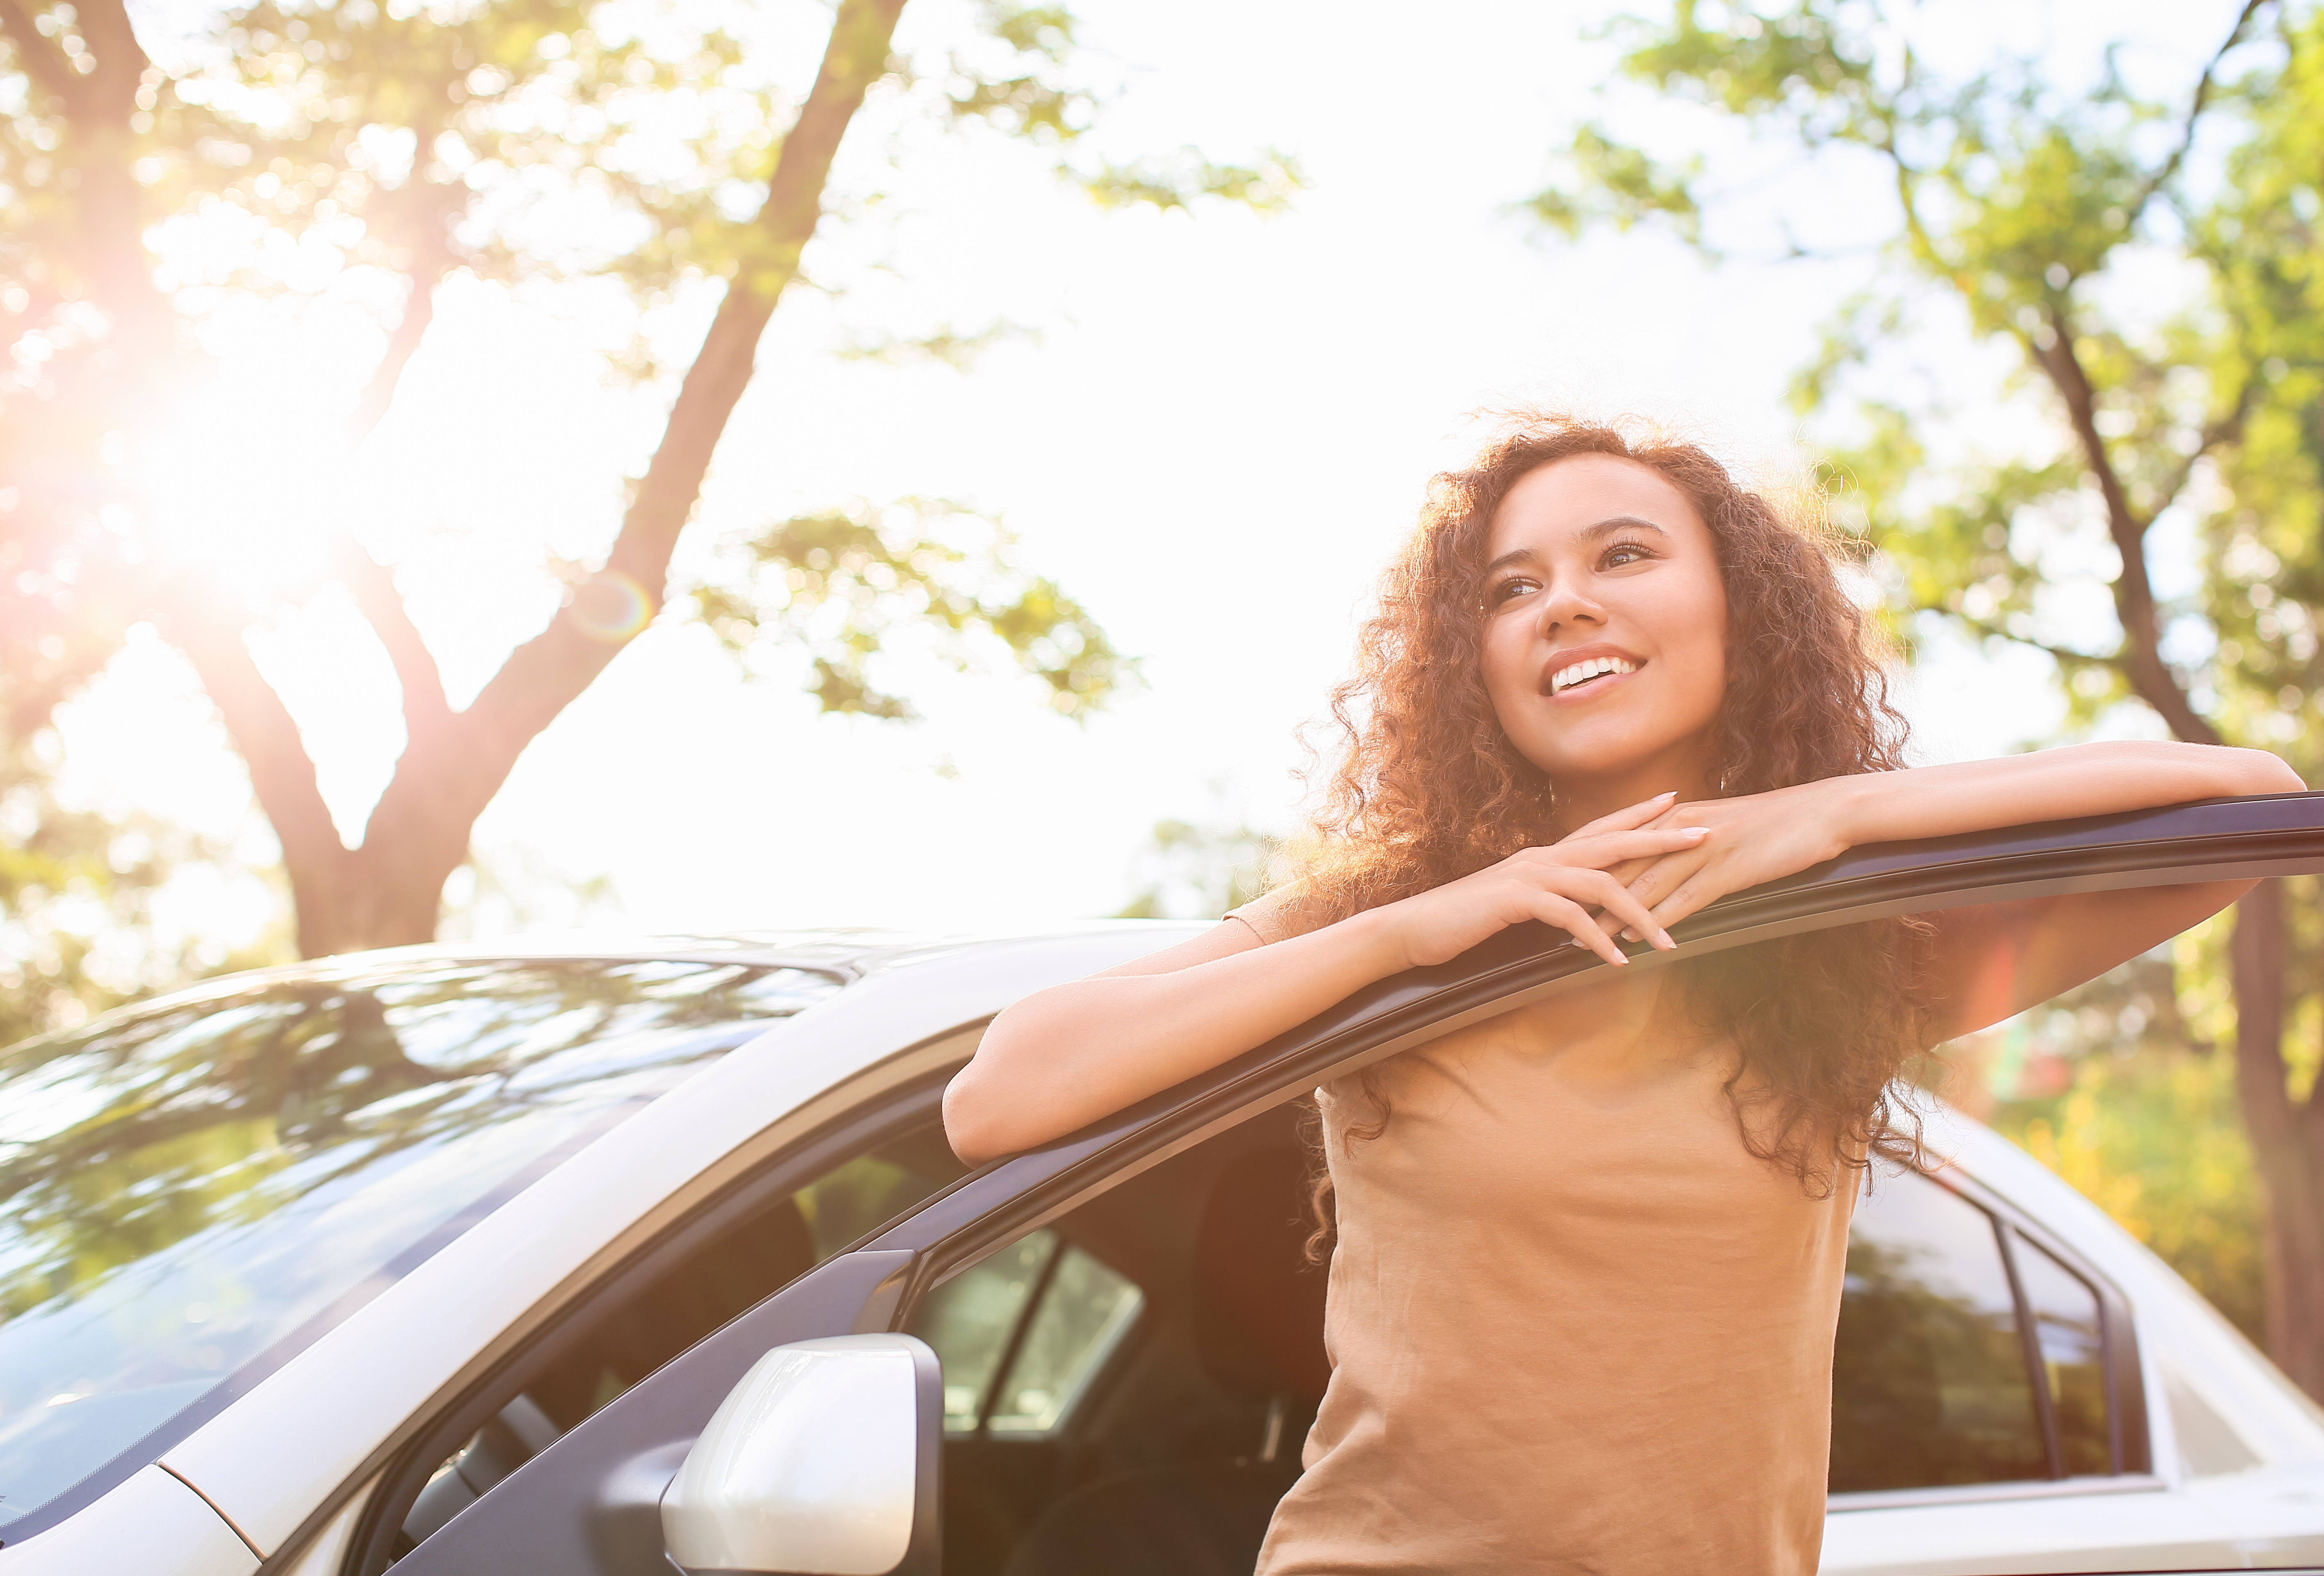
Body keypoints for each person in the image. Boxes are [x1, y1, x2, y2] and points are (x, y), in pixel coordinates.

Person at [942, 412, 2301, 1574]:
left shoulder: (1848, 959)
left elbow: (2248, 806)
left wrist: (1828, 821)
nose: (1564, 604)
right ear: (1472, 662)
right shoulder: (1395, 916)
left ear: (1741, 608)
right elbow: (1003, 1096)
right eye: (1508, 587)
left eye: (1624, 556)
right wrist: (1410, 938)